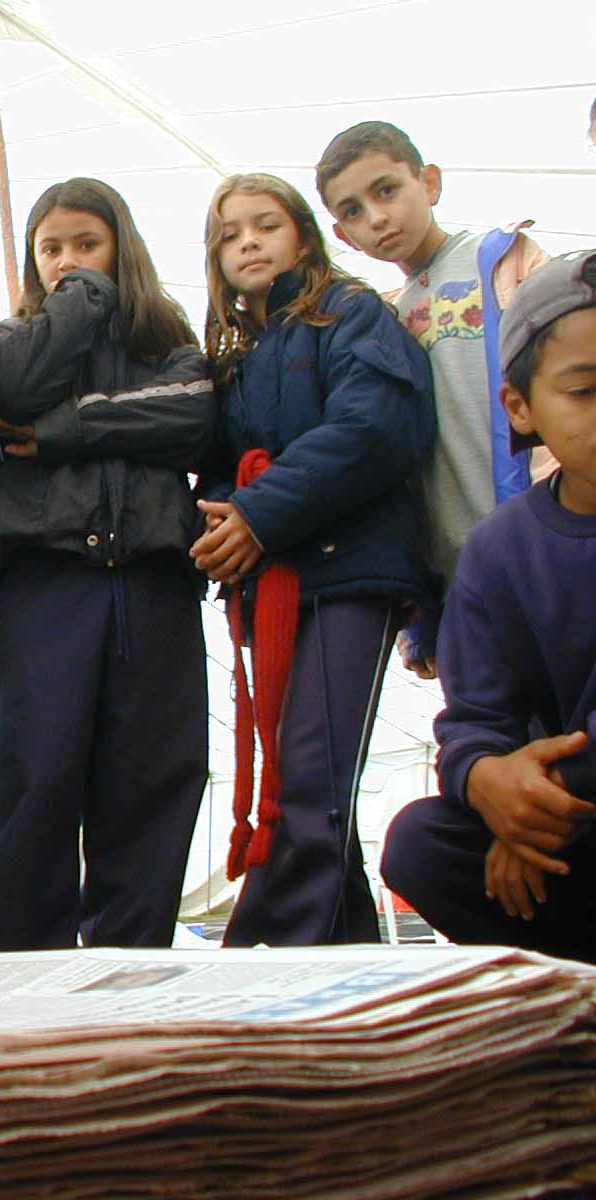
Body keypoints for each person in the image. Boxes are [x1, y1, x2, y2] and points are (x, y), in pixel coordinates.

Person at [0, 178, 215, 953]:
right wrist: (80, 301)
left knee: (154, 777)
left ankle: (131, 958)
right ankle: (14, 961)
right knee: (38, 774)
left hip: (153, 580)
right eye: (51, 249)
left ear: (121, 248)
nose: (68, 261)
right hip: (48, 582)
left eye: (87, 246)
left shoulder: (169, 345)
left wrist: (68, 429)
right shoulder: (8, 341)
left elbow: (196, 411)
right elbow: (11, 389)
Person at [195, 173, 436, 947]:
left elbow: (374, 425)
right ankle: (351, 971)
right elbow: (224, 466)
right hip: (279, 590)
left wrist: (257, 515)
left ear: (303, 234)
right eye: (230, 235)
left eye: (266, 225)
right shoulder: (237, 358)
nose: (249, 243)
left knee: (306, 781)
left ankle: (260, 960)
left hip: (347, 578)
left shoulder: (350, 313)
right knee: (310, 788)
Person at [382, 250, 596, 963]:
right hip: (568, 833)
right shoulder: (499, 551)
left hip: (571, 803)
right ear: (520, 407)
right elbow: (476, 719)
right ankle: (568, 986)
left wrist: (544, 804)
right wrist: (492, 786)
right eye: (586, 390)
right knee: (419, 842)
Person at [316, 121, 549, 679]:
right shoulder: (379, 318)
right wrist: (418, 616)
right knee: (492, 733)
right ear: (344, 237)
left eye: (386, 190)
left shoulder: (503, 259)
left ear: (431, 183)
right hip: (457, 575)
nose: (375, 217)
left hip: (544, 538)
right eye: (352, 211)